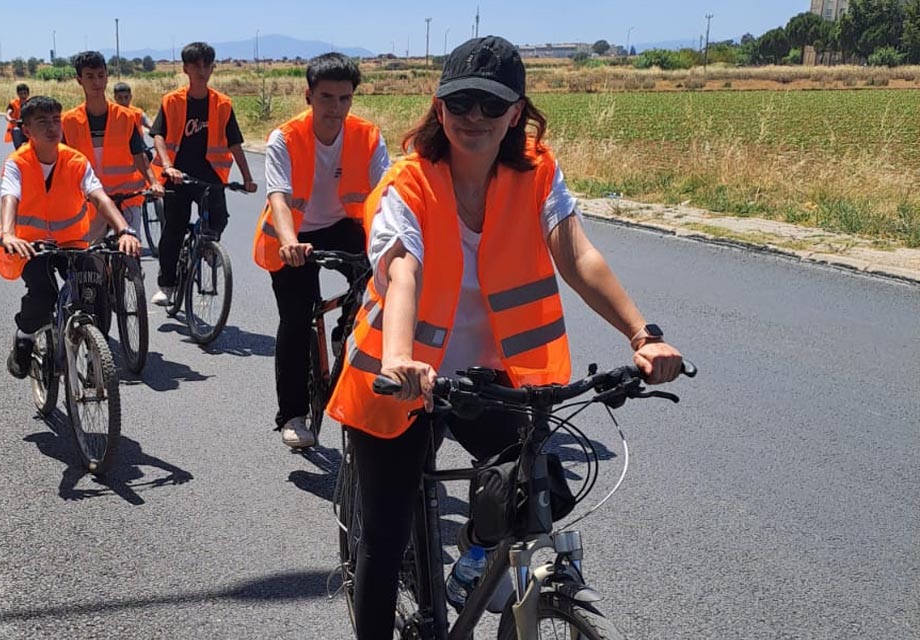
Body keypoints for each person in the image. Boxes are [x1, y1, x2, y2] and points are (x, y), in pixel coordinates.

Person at [324, 36, 685, 640]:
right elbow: (402, 270)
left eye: (492, 106)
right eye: (461, 102)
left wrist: (641, 335)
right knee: (384, 539)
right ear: (439, 107)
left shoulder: (536, 172)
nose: (475, 118)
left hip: (489, 382)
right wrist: (399, 357)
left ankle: (471, 561)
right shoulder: (406, 183)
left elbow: (577, 255)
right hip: (398, 379)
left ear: (516, 112)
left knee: (547, 491)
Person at [253, 53, 390, 449]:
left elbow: (385, 198)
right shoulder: (286, 137)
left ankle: (349, 336)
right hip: (294, 234)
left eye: (345, 99)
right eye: (327, 98)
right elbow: (278, 196)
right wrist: (289, 242)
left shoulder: (368, 135)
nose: (336, 109)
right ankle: (293, 415)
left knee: (382, 292)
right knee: (295, 320)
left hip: (345, 228)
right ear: (308, 95)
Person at [0, 95, 142, 379]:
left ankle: (94, 354)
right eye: (42, 122)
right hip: (30, 246)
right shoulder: (17, 163)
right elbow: (9, 197)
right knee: (43, 293)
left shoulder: (76, 160)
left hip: (73, 242)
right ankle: (25, 337)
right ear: (27, 131)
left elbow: (99, 197)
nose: (52, 127)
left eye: (55, 120)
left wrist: (124, 229)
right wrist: (9, 234)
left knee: (93, 286)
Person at [149, 42, 258, 305]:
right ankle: (167, 285)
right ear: (186, 68)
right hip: (176, 172)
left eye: (207, 65)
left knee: (218, 218)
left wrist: (247, 177)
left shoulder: (222, 104)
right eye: (196, 65)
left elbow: (234, 143)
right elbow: (159, 136)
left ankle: (208, 248)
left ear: (212, 68)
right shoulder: (172, 101)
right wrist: (167, 166)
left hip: (210, 173)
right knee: (174, 227)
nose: (202, 70)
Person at [61, 51, 163, 232]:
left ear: (107, 77)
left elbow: (140, 157)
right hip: (90, 201)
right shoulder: (68, 121)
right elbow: (61, 163)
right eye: (90, 77)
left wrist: (153, 182)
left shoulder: (125, 117)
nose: (96, 82)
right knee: (93, 256)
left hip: (126, 200)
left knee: (130, 250)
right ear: (79, 80)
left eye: (101, 75)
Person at [5, 83, 30, 149]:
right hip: (18, 127)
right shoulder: (14, 103)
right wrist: (10, 119)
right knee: (16, 130)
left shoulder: (32, 103)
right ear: (18, 94)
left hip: (30, 128)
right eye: (21, 94)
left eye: (25, 93)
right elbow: (8, 114)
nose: (23, 96)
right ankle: (19, 151)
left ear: (28, 94)